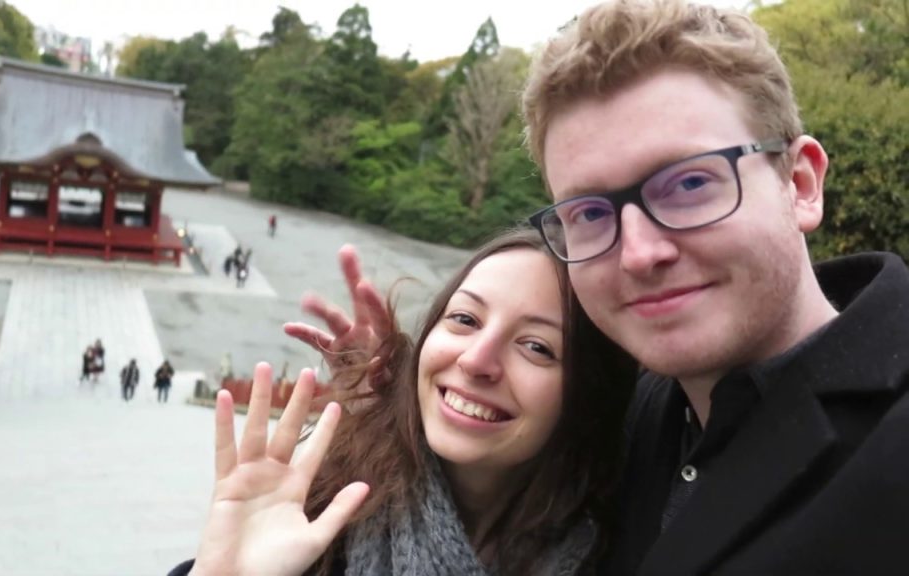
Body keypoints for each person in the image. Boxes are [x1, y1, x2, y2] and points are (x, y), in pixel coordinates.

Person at [519, 1, 909, 574]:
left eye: (690, 182)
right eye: (590, 213)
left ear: (800, 184)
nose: (639, 254)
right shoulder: (628, 409)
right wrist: (386, 412)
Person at [170, 229, 636, 576]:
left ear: (586, 396)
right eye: (464, 318)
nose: (476, 360)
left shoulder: (623, 552)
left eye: (536, 346)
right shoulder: (320, 527)